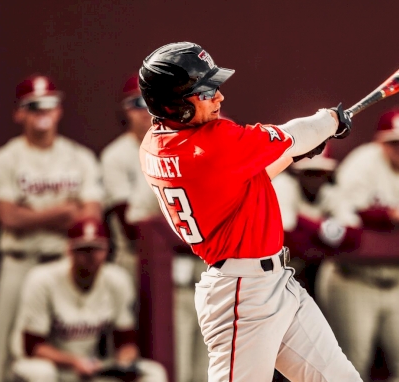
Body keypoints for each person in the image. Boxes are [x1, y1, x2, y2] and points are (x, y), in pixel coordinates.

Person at [137, 42, 361, 382]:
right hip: (242, 294)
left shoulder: (155, 143)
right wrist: (330, 120)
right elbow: (293, 134)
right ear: (175, 105)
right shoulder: (212, 143)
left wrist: (294, 153)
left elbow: (242, 180)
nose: (219, 98)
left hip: (270, 282)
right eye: (206, 92)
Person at [0, 74, 104, 382]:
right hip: (20, 262)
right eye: (33, 106)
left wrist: (34, 213)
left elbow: (89, 218)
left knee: (63, 351)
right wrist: (62, 211)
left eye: (49, 105)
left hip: (64, 265)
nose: (42, 113)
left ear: (59, 110)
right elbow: (9, 217)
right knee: (3, 349)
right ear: (19, 113)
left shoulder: (80, 157)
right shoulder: (4, 159)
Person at [320, 108, 399, 382]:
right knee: (350, 370)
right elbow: (346, 216)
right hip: (353, 279)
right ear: (380, 143)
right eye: (393, 143)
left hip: (398, 281)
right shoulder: (363, 162)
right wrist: (395, 215)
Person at [10, 218, 167, 382]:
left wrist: (124, 363)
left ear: (107, 250)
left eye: (96, 248)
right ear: (69, 250)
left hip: (90, 366)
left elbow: (126, 341)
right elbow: (33, 347)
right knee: (42, 373)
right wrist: (74, 362)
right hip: (49, 365)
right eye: (83, 249)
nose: (90, 256)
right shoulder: (43, 279)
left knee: (153, 372)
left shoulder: (117, 280)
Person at [126, 173, 210, 382]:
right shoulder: (160, 169)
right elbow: (134, 220)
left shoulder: (220, 168)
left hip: (213, 281)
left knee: (208, 368)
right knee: (179, 368)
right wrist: (179, 230)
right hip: (177, 283)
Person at [271, 145, 360, 298]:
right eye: (309, 173)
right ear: (298, 173)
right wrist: (325, 234)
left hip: (311, 271)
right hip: (276, 273)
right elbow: (287, 241)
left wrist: (306, 223)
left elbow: (353, 236)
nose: (314, 179)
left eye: (319, 173)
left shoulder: (330, 193)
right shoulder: (284, 185)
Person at [100, 74, 153, 280]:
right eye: (138, 103)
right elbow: (130, 227)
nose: (146, 110)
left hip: (174, 255)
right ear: (126, 109)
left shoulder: (180, 149)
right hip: (132, 257)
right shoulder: (115, 155)